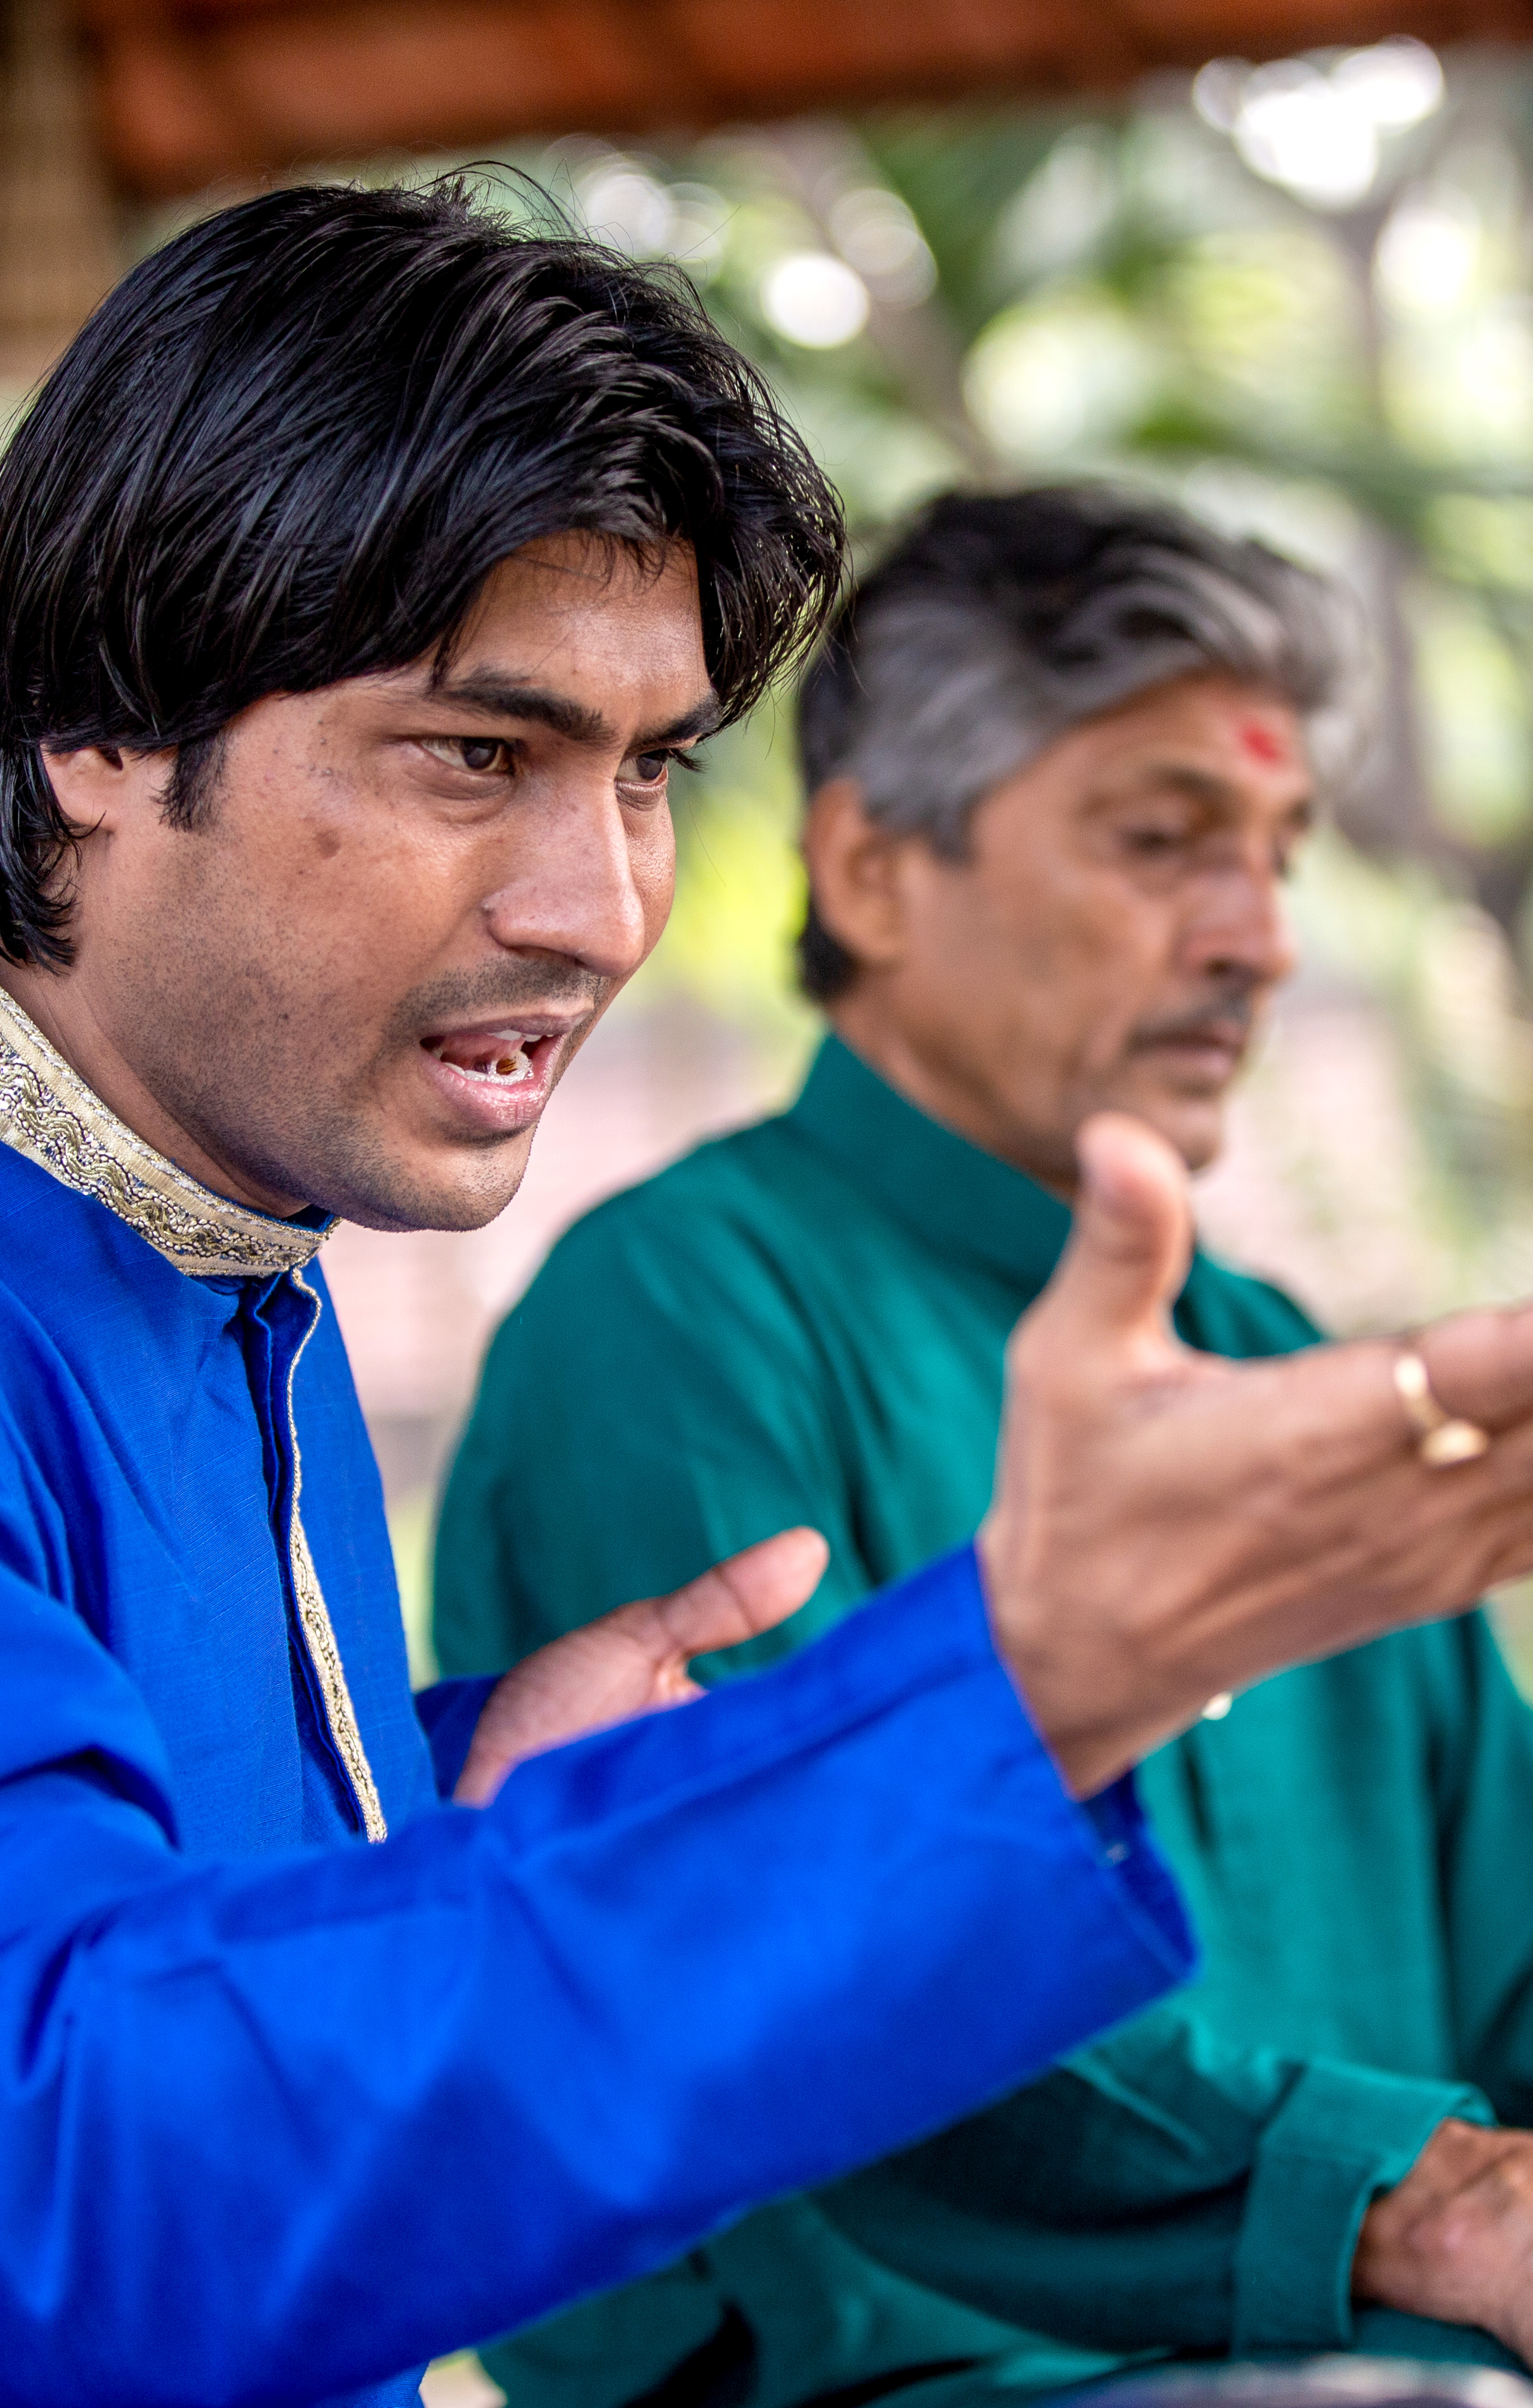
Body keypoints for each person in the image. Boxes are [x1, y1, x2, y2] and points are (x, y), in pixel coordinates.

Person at [433, 487, 1533, 2408]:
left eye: (1278, 852)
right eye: (1161, 840)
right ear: (868, 869)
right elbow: (785, 1965)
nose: (1260, 936)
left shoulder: (1275, 1355)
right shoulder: (682, 1319)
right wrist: (1407, 2208)